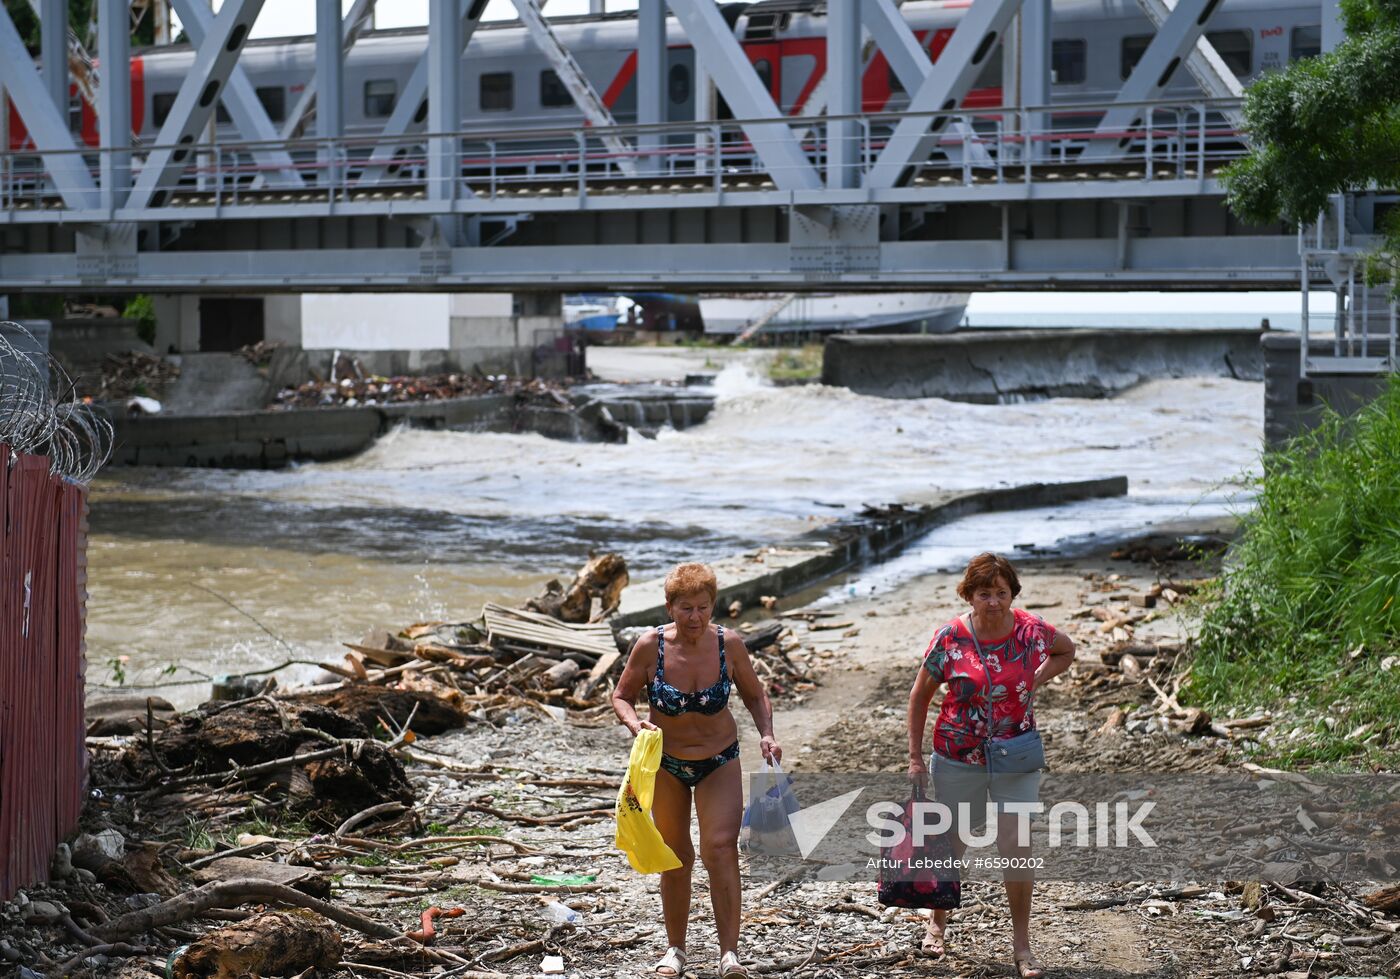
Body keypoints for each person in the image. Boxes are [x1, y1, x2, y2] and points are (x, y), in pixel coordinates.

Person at [907, 552, 1075, 979]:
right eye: (985, 594)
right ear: (969, 595)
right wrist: (913, 757)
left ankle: (1022, 946)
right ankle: (937, 922)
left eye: (1002, 593)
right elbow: (919, 698)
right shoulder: (950, 639)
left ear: (1012, 594)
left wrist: (1035, 679)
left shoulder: (1031, 631)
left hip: (1016, 752)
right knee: (956, 840)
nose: (994, 602)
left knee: (1016, 844)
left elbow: (1066, 651)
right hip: (957, 756)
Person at [611, 562, 781, 979]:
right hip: (665, 763)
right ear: (669, 607)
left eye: (703, 608)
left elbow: (755, 696)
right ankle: (676, 950)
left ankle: (730, 954)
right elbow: (621, 695)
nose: (695, 618)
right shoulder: (650, 645)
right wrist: (635, 724)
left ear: (713, 606)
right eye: (686, 608)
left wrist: (767, 733)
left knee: (719, 850)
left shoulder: (730, 644)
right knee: (676, 856)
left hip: (718, 759)